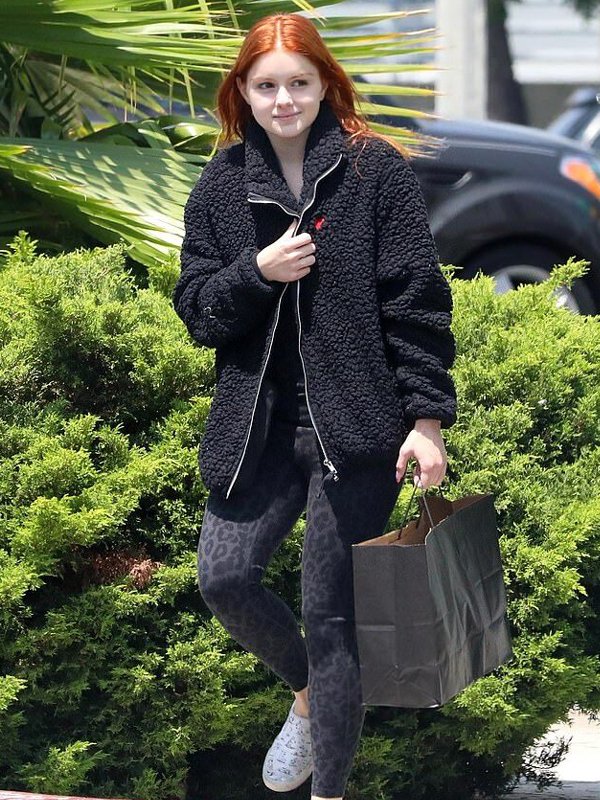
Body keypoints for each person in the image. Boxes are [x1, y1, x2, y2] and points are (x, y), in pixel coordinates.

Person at [173, 11, 457, 800]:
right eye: (266, 86)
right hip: (258, 432)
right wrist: (256, 272)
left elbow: (416, 300)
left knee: (332, 620)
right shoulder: (224, 182)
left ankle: (328, 793)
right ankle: (305, 695)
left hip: (360, 432)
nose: (284, 101)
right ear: (242, 91)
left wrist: (427, 422)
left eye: (299, 83)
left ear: (326, 84)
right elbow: (197, 309)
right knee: (224, 578)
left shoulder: (374, 171)